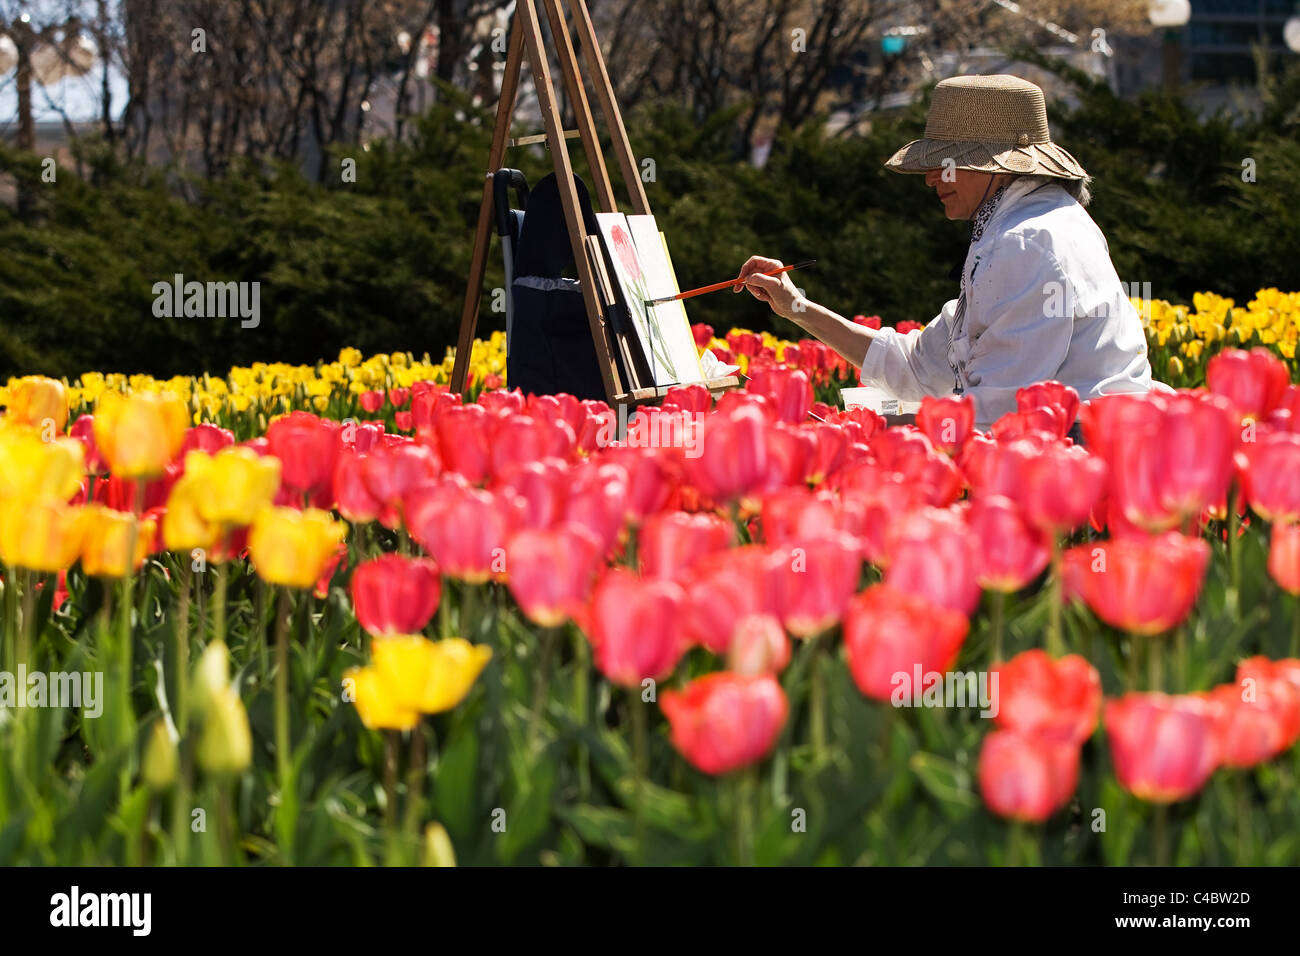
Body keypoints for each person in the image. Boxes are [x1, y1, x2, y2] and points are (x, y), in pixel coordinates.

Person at [736, 74, 1162, 431]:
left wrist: (867, 437)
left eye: (947, 162)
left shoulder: (1026, 241)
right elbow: (919, 369)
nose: (930, 180)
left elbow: (993, 415)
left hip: (1077, 473)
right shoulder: (1028, 223)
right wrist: (797, 308)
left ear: (996, 164)